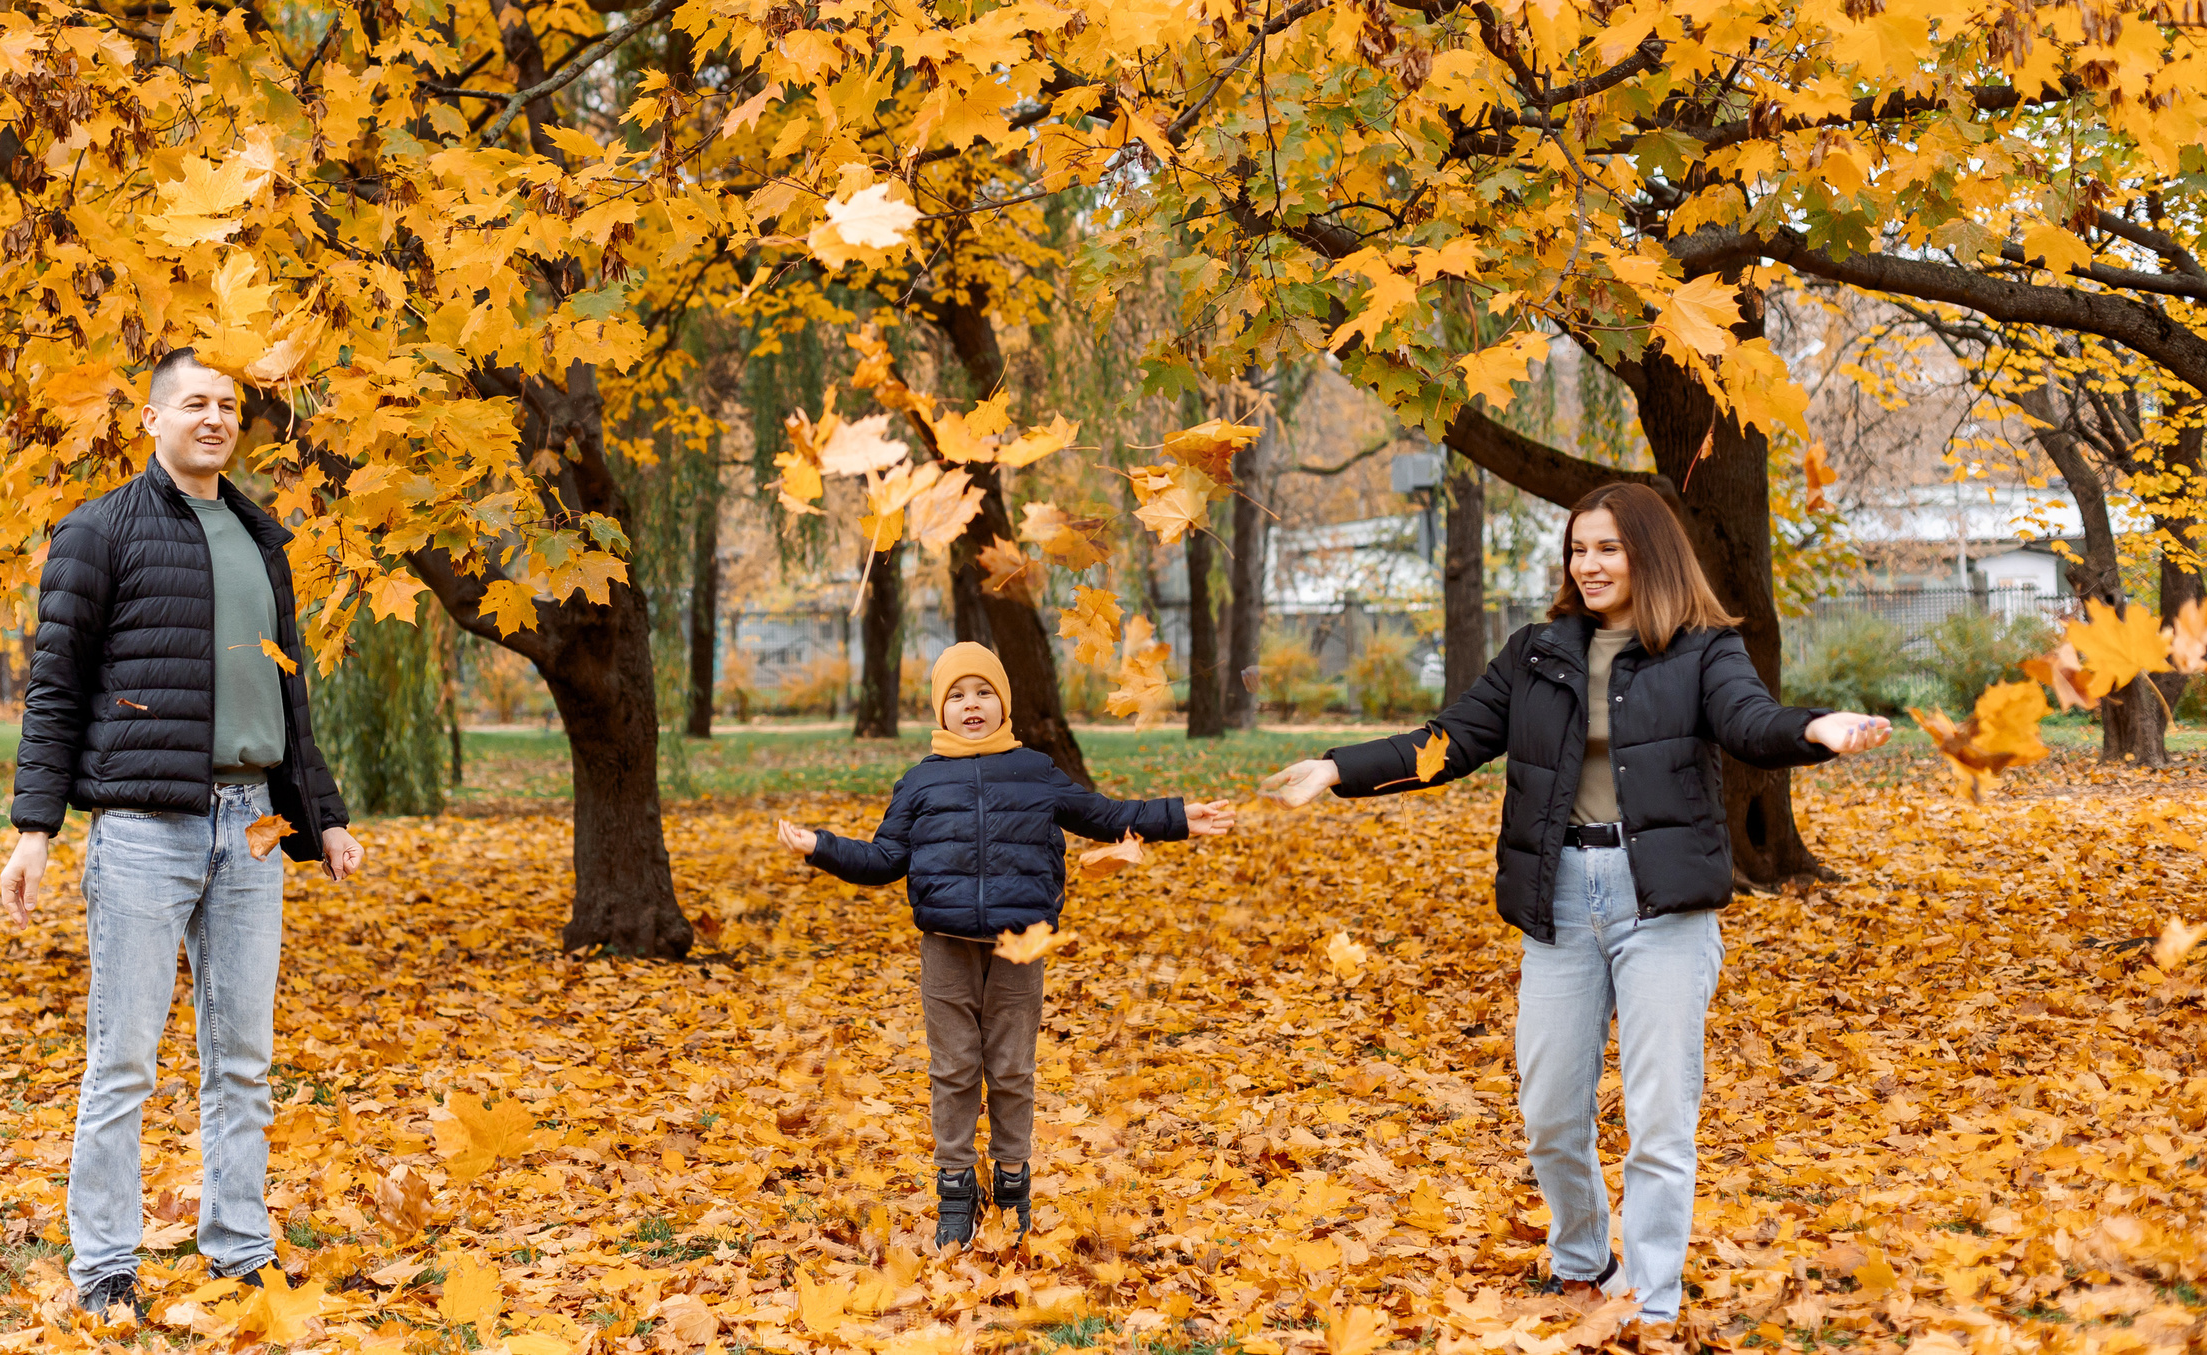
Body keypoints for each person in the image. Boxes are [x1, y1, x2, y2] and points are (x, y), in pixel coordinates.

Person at [1262, 482, 1889, 1325]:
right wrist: (1338, 768)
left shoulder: (1703, 650)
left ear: (1650, 554)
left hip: (1660, 905)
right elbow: (1446, 743)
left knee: (1660, 1117)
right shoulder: (1535, 652)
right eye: (1577, 549)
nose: (1587, 565)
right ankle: (1583, 1261)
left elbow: (1749, 722)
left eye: (1607, 548)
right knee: (1551, 1110)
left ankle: (1653, 1304)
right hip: (1560, 900)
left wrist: (1814, 730)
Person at [0, 349, 365, 1319]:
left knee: (241, 1056)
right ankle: (105, 1266)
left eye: (229, 404)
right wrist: (34, 828)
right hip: (142, 831)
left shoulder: (260, 536)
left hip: (252, 826)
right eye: (194, 402)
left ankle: (240, 1249)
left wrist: (321, 817)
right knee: (123, 1059)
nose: (214, 417)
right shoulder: (97, 532)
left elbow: (287, 693)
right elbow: (56, 690)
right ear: (151, 419)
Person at [777, 642, 1236, 1246]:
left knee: (1013, 1068)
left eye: (984, 692)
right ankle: (955, 1191)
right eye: (958, 694)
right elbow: (885, 858)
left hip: (1021, 944)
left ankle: (1013, 1180)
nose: (972, 704)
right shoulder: (919, 783)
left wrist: (1178, 817)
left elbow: (1105, 814)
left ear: (1004, 703)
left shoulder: (1036, 772)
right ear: (941, 709)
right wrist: (822, 847)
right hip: (946, 947)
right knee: (955, 1069)